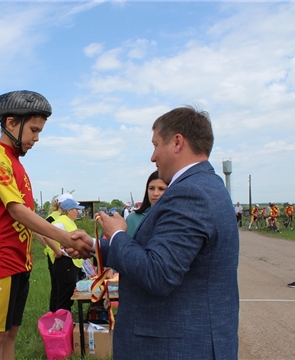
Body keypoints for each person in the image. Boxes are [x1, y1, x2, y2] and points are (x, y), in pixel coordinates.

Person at [95, 106, 239, 359]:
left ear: (177, 142)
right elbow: (170, 254)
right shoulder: (207, 185)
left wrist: (117, 234)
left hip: (175, 347)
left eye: (155, 145)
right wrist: (96, 246)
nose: (153, 157)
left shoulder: (190, 193)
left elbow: (158, 273)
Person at [0, 90, 93, 360]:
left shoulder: (16, 164)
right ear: (10, 123)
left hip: (20, 263)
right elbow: (17, 211)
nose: (36, 138)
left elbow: (30, 220)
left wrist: (56, 247)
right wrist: (65, 239)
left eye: (39, 131)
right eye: (33, 130)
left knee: (11, 335)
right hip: (0, 263)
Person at [48, 198, 85, 312]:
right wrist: (58, 251)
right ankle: (61, 325)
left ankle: (62, 322)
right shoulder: (61, 222)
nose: (78, 212)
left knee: (67, 295)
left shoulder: (69, 221)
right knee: (64, 298)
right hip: (65, 263)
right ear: (68, 210)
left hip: (71, 263)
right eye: (76, 209)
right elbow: (46, 234)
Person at [125, 171, 167, 236]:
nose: (155, 193)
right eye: (151, 188)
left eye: (161, 189)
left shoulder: (177, 218)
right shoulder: (132, 219)